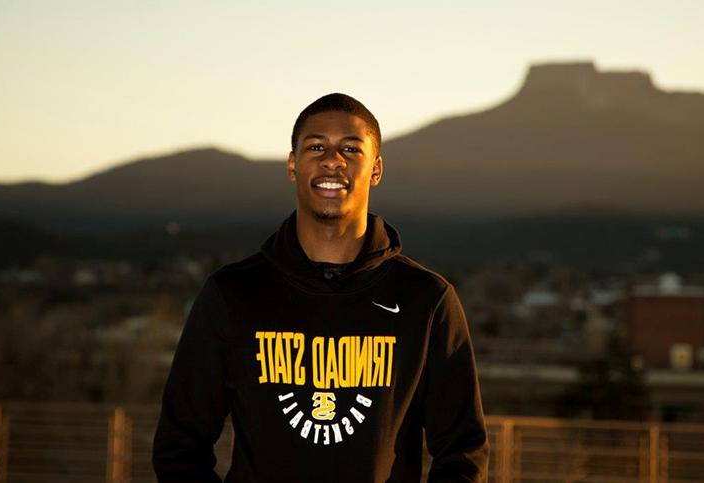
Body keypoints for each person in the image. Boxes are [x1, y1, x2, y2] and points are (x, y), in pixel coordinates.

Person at [153, 93, 489, 482]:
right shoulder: (233, 293)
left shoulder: (426, 299)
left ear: (376, 169)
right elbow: (179, 446)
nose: (333, 159)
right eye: (316, 147)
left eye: (351, 148)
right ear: (293, 165)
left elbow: (463, 453)